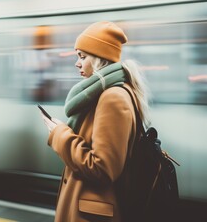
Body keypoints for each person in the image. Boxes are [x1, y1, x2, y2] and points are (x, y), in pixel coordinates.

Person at [41, 21, 150, 222]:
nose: (77, 62)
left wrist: (60, 134)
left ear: (101, 58)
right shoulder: (105, 94)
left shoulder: (112, 97)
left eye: (83, 56)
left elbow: (102, 168)